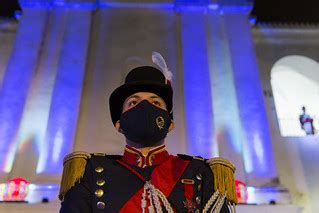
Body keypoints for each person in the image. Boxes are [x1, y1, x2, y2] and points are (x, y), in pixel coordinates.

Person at [59, 53, 237, 212]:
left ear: (170, 124)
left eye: (156, 103)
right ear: (119, 124)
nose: (145, 107)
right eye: (133, 103)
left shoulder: (199, 172)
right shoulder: (89, 172)